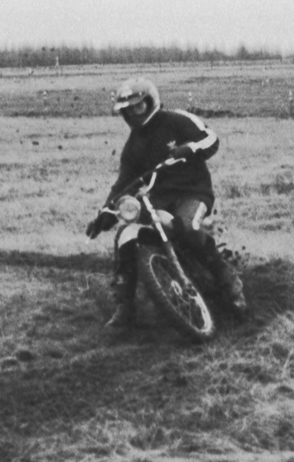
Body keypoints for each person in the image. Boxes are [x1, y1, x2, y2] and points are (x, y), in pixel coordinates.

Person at [85, 76, 246, 328]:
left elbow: (210, 138)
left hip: (193, 192)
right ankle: (124, 305)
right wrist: (105, 214)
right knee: (126, 235)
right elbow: (123, 185)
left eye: (138, 106)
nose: (134, 112)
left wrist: (189, 148)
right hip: (158, 201)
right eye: (128, 109)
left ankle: (230, 284)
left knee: (189, 227)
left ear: (151, 102)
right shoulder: (132, 146)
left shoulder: (176, 120)